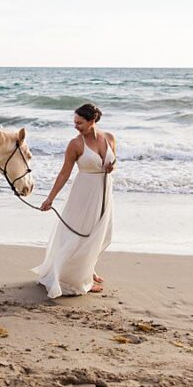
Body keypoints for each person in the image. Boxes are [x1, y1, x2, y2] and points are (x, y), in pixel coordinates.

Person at [30, 103, 116, 298]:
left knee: (100, 234)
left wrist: (112, 167)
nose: (76, 126)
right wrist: (50, 198)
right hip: (83, 193)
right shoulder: (75, 144)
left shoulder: (109, 138)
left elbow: (113, 163)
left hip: (104, 190)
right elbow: (64, 173)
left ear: (92, 121)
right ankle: (79, 279)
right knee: (80, 234)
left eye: (80, 123)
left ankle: (89, 270)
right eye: (75, 122)